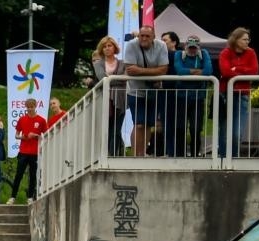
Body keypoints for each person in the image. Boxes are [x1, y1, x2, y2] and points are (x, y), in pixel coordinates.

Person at [123, 24, 169, 157]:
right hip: (135, 91)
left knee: (149, 124)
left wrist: (140, 71)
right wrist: (153, 72)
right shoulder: (132, 45)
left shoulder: (161, 46)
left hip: (153, 91)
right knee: (139, 123)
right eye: (141, 35)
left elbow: (163, 69)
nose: (143, 38)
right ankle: (136, 154)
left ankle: (142, 153)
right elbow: (130, 70)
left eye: (147, 36)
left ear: (153, 37)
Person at [168, 35, 214, 158]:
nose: (192, 50)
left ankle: (195, 155)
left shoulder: (204, 54)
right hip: (181, 96)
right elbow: (179, 70)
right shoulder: (179, 54)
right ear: (185, 46)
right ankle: (179, 155)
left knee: (196, 128)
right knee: (180, 127)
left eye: (194, 48)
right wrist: (197, 72)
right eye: (190, 47)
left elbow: (209, 70)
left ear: (199, 47)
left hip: (198, 97)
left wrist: (189, 72)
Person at [217, 27, 259, 157]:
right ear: (236, 40)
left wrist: (236, 68)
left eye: (248, 39)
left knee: (237, 132)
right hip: (226, 95)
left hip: (243, 95)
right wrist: (241, 70)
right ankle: (222, 160)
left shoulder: (251, 52)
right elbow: (225, 71)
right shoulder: (225, 53)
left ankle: (233, 159)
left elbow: (254, 71)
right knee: (224, 130)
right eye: (244, 39)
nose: (248, 42)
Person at [91, 37, 128, 156]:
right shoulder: (98, 64)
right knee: (107, 128)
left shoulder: (123, 63)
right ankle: (106, 154)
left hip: (120, 99)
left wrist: (112, 79)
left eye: (109, 46)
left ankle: (114, 154)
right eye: (105, 46)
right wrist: (117, 79)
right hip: (105, 98)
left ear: (114, 48)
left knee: (117, 129)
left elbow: (125, 79)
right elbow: (103, 78)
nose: (107, 48)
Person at [9, 99, 46, 204]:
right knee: (18, 175)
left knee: (33, 175)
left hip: (35, 153)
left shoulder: (41, 120)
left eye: (31, 106)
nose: (30, 109)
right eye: (28, 107)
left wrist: (36, 135)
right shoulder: (22, 119)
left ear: (35, 106)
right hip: (23, 152)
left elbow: (46, 135)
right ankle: (12, 197)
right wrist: (23, 137)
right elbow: (16, 135)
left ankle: (30, 197)